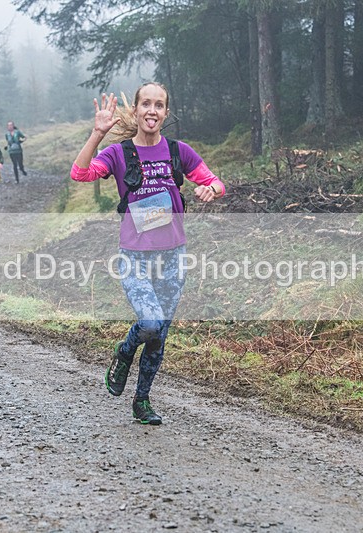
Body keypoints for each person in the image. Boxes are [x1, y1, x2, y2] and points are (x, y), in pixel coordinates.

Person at [70, 83, 225, 425]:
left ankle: (142, 401)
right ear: (137, 110)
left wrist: (208, 188)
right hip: (135, 257)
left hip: (173, 257)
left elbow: (215, 182)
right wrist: (97, 133)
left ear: (166, 113)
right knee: (150, 323)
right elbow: (80, 173)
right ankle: (124, 352)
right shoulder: (119, 153)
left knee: (160, 335)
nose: (152, 111)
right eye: (146, 104)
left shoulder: (177, 151)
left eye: (159, 105)